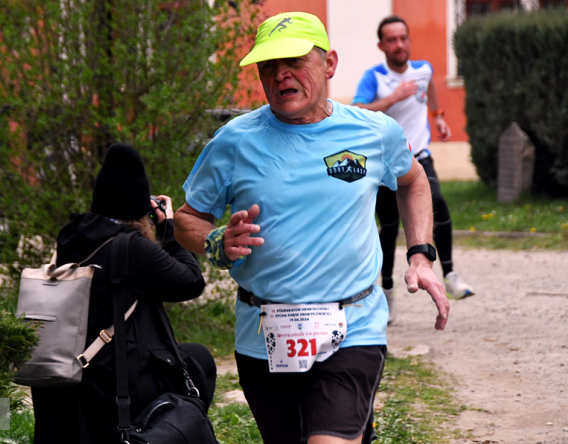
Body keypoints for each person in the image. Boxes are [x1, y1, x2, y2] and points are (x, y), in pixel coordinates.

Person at [174, 12, 449, 444]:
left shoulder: (373, 132)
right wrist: (216, 242)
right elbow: (186, 220)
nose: (280, 75)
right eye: (269, 66)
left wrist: (421, 254)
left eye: (294, 61)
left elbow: (413, 181)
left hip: (352, 327)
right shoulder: (234, 141)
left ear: (329, 64)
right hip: (262, 335)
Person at [31, 143, 216, 444]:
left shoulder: (73, 236)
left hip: (72, 366)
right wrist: (169, 227)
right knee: (200, 361)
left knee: (193, 356)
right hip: (115, 379)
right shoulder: (133, 248)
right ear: (141, 206)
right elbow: (191, 282)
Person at [352, 15, 475, 323]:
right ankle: (388, 290)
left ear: (409, 40)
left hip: (419, 156)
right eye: (391, 40)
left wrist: (439, 115)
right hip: (385, 164)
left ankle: (450, 274)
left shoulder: (423, 70)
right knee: (389, 227)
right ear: (381, 45)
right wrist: (392, 98)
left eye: (403, 38)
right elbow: (357, 110)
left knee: (438, 202)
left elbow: (430, 87)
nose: (399, 45)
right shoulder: (375, 78)